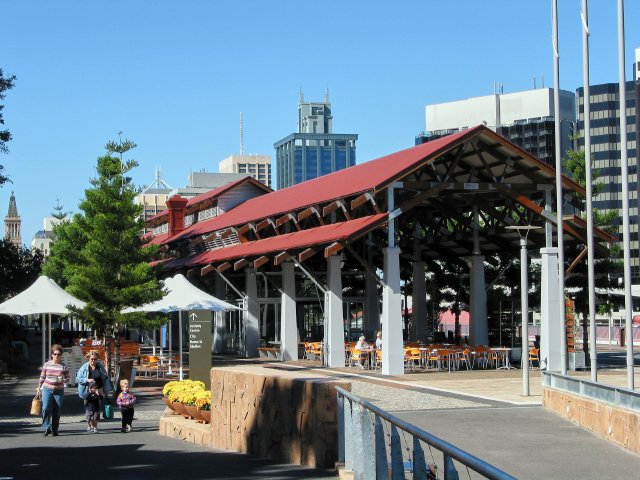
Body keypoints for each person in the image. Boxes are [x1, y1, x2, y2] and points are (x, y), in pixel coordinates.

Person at [37, 343, 70, 436]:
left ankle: (55, 429)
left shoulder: (63, 366)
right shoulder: (47, 365)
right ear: (52, 354)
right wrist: (39, 388)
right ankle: (47, 427)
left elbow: (68, 378)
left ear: (61, 355)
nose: (56, 356)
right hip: (47, 389)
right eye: (54, 354)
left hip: (58, 390)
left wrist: (64, 380)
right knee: (45, 408)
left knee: (57, 410)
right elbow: (42, 377)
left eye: (58, 354)